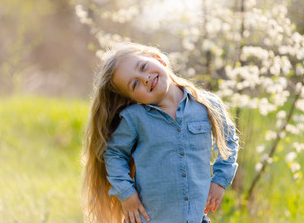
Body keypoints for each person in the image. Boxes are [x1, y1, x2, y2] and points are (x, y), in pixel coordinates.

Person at [82, 42, 239, 223]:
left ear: (158, 59)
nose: (145, 79)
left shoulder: (207, 106)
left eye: (143, 67)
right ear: (132, 98)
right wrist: (127, 195)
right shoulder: (134, 118)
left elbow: (229, 140)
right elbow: (114, 154)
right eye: (134, 84)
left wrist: (220, 180)